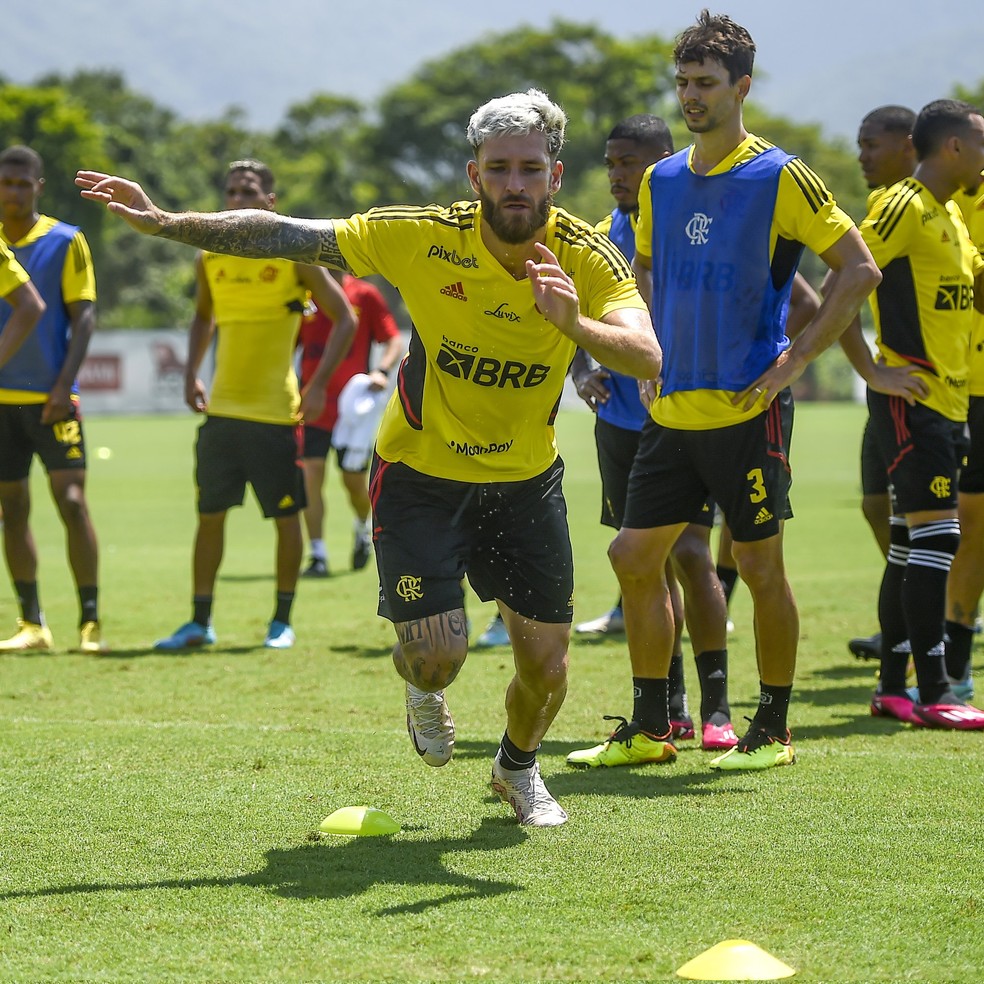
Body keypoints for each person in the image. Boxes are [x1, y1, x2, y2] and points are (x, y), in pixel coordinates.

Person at [76, 89, 661, 827]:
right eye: (501, 168)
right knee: (438, 656)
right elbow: (283, 233)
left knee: (547, 669)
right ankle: (422, 687)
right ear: (474, 175)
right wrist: (166, 222)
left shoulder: (584, 253)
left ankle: (516, 768)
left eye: (531, 169)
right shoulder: (418, 236)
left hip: (525, 482)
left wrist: (572, 321)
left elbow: (645, 353)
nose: (517, 183)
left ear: (556, 175)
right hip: (421, 476)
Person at [569, 9, 881, 772]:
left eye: (705, 83)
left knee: (762, 567)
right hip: (669, 412)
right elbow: (642, 272)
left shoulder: (780, 175)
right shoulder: (661, 181)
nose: (691, 97)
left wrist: (795, 361)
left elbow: (859, 269)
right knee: (633, 558)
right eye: (682, 83)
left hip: (749, 412)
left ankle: (770, 729)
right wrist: (650, 354)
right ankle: (652, 727)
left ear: (742, 86)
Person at [564, 113, 736, 751]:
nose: (616, 174)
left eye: (628, 162)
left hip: (683, 420)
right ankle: (670, 706)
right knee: (641, 565)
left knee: (691, 554)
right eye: (609, 162)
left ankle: (718, 706)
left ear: (664, 161)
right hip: (619, 422)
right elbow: (576, 314)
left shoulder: (694, 221)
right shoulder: (605, 233)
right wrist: (584, 370)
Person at [148, 159, 356, 651]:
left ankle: (281, 621)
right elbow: (203, 317)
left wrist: (320, 383)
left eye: (249, 191)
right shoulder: (207, 256)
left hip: (275, 414)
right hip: (221, 411)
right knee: (210, 515)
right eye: (232, 191)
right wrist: (191, 371)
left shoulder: (294, 255)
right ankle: (199, 621)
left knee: (286, 519)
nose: (238, 199)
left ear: (270, 202)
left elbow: (344, 318)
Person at [855, 99, 984, 729]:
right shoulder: (903, 204)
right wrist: (870, 368)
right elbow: (847, 276)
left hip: (950, 405)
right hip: (915, 401)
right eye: (981, 144)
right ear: (954, 148)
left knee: (910, 546)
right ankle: (936, 692)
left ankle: (891, 688)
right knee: (939, 541)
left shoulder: (953, 216)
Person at [0, 145, 106, 654]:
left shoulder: (66, 240)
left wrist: (65, 385)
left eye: (23, 182)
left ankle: (90, 622)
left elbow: (82, 316)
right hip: (2, 403)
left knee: (71, 501)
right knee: (12, 506)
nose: (14, 191)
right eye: (6, 182)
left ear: (39, 186)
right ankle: (32, 622)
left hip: (52, 399)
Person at [844, 106, 918, 663]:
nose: (863, 156)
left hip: (936, 390)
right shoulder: (885, 210)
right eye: (860, 145)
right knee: (875, 506)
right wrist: (871, 369)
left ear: (909, 145)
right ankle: (914, 614)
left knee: (935, 516)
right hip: (891, 387)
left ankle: (930, 619)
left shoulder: (939, 207)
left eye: (873, 145)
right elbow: (845, 284)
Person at [297, 272, 403, 577]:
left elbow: (392, 337)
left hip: (353, 409)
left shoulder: (364, 295)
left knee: (352, 481)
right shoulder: (304, 294)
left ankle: (361, 527)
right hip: (313, 404)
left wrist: (382, 370)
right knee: (310, 475)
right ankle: (317, 554)